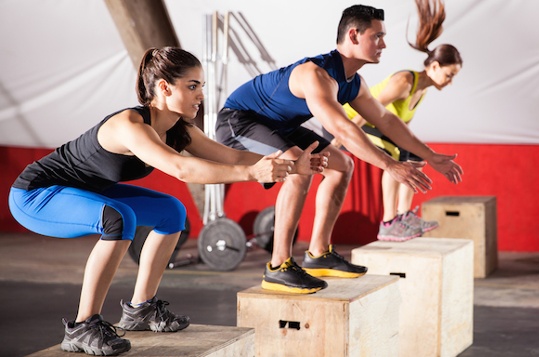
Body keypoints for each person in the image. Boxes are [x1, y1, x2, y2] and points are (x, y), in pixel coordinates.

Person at [8, 47, 327, 356]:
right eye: (192, 86)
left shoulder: (178, 128)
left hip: (91, 191)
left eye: (201, 86)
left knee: (171, 212)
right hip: (37, 194)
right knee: (118, 218)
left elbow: (230, 155)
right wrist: (253, 173)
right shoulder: (130, 125)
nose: (200, 95)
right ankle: (82, 326)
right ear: (163, 87)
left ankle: (140, 310)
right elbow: (181, 168)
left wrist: (287, 162)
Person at [215, 4, 463, 295]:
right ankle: (278, 267)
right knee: (299, 167)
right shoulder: (317, 75)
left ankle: (318, 253)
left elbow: (385, 119)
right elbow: (343, 129)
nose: (384, 44)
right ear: (354, 35)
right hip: (239, 120)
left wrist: (431, 156)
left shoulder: (353, 83)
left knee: (341, 165)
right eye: (378, 37)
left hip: (278, 127)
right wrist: (390, 165)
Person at [339, 0, 462, 242]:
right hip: (351, 117)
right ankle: (388, 222)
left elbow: (400, 128)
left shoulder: (422, 90)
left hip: (372, 124)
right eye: (449, 75)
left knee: (415, 156)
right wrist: (342, 135)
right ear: (434, 66)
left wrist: (422, 152)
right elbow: (370, 111)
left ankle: (403, 216)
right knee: (396, 154)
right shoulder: (405, 81)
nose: (450, 82)